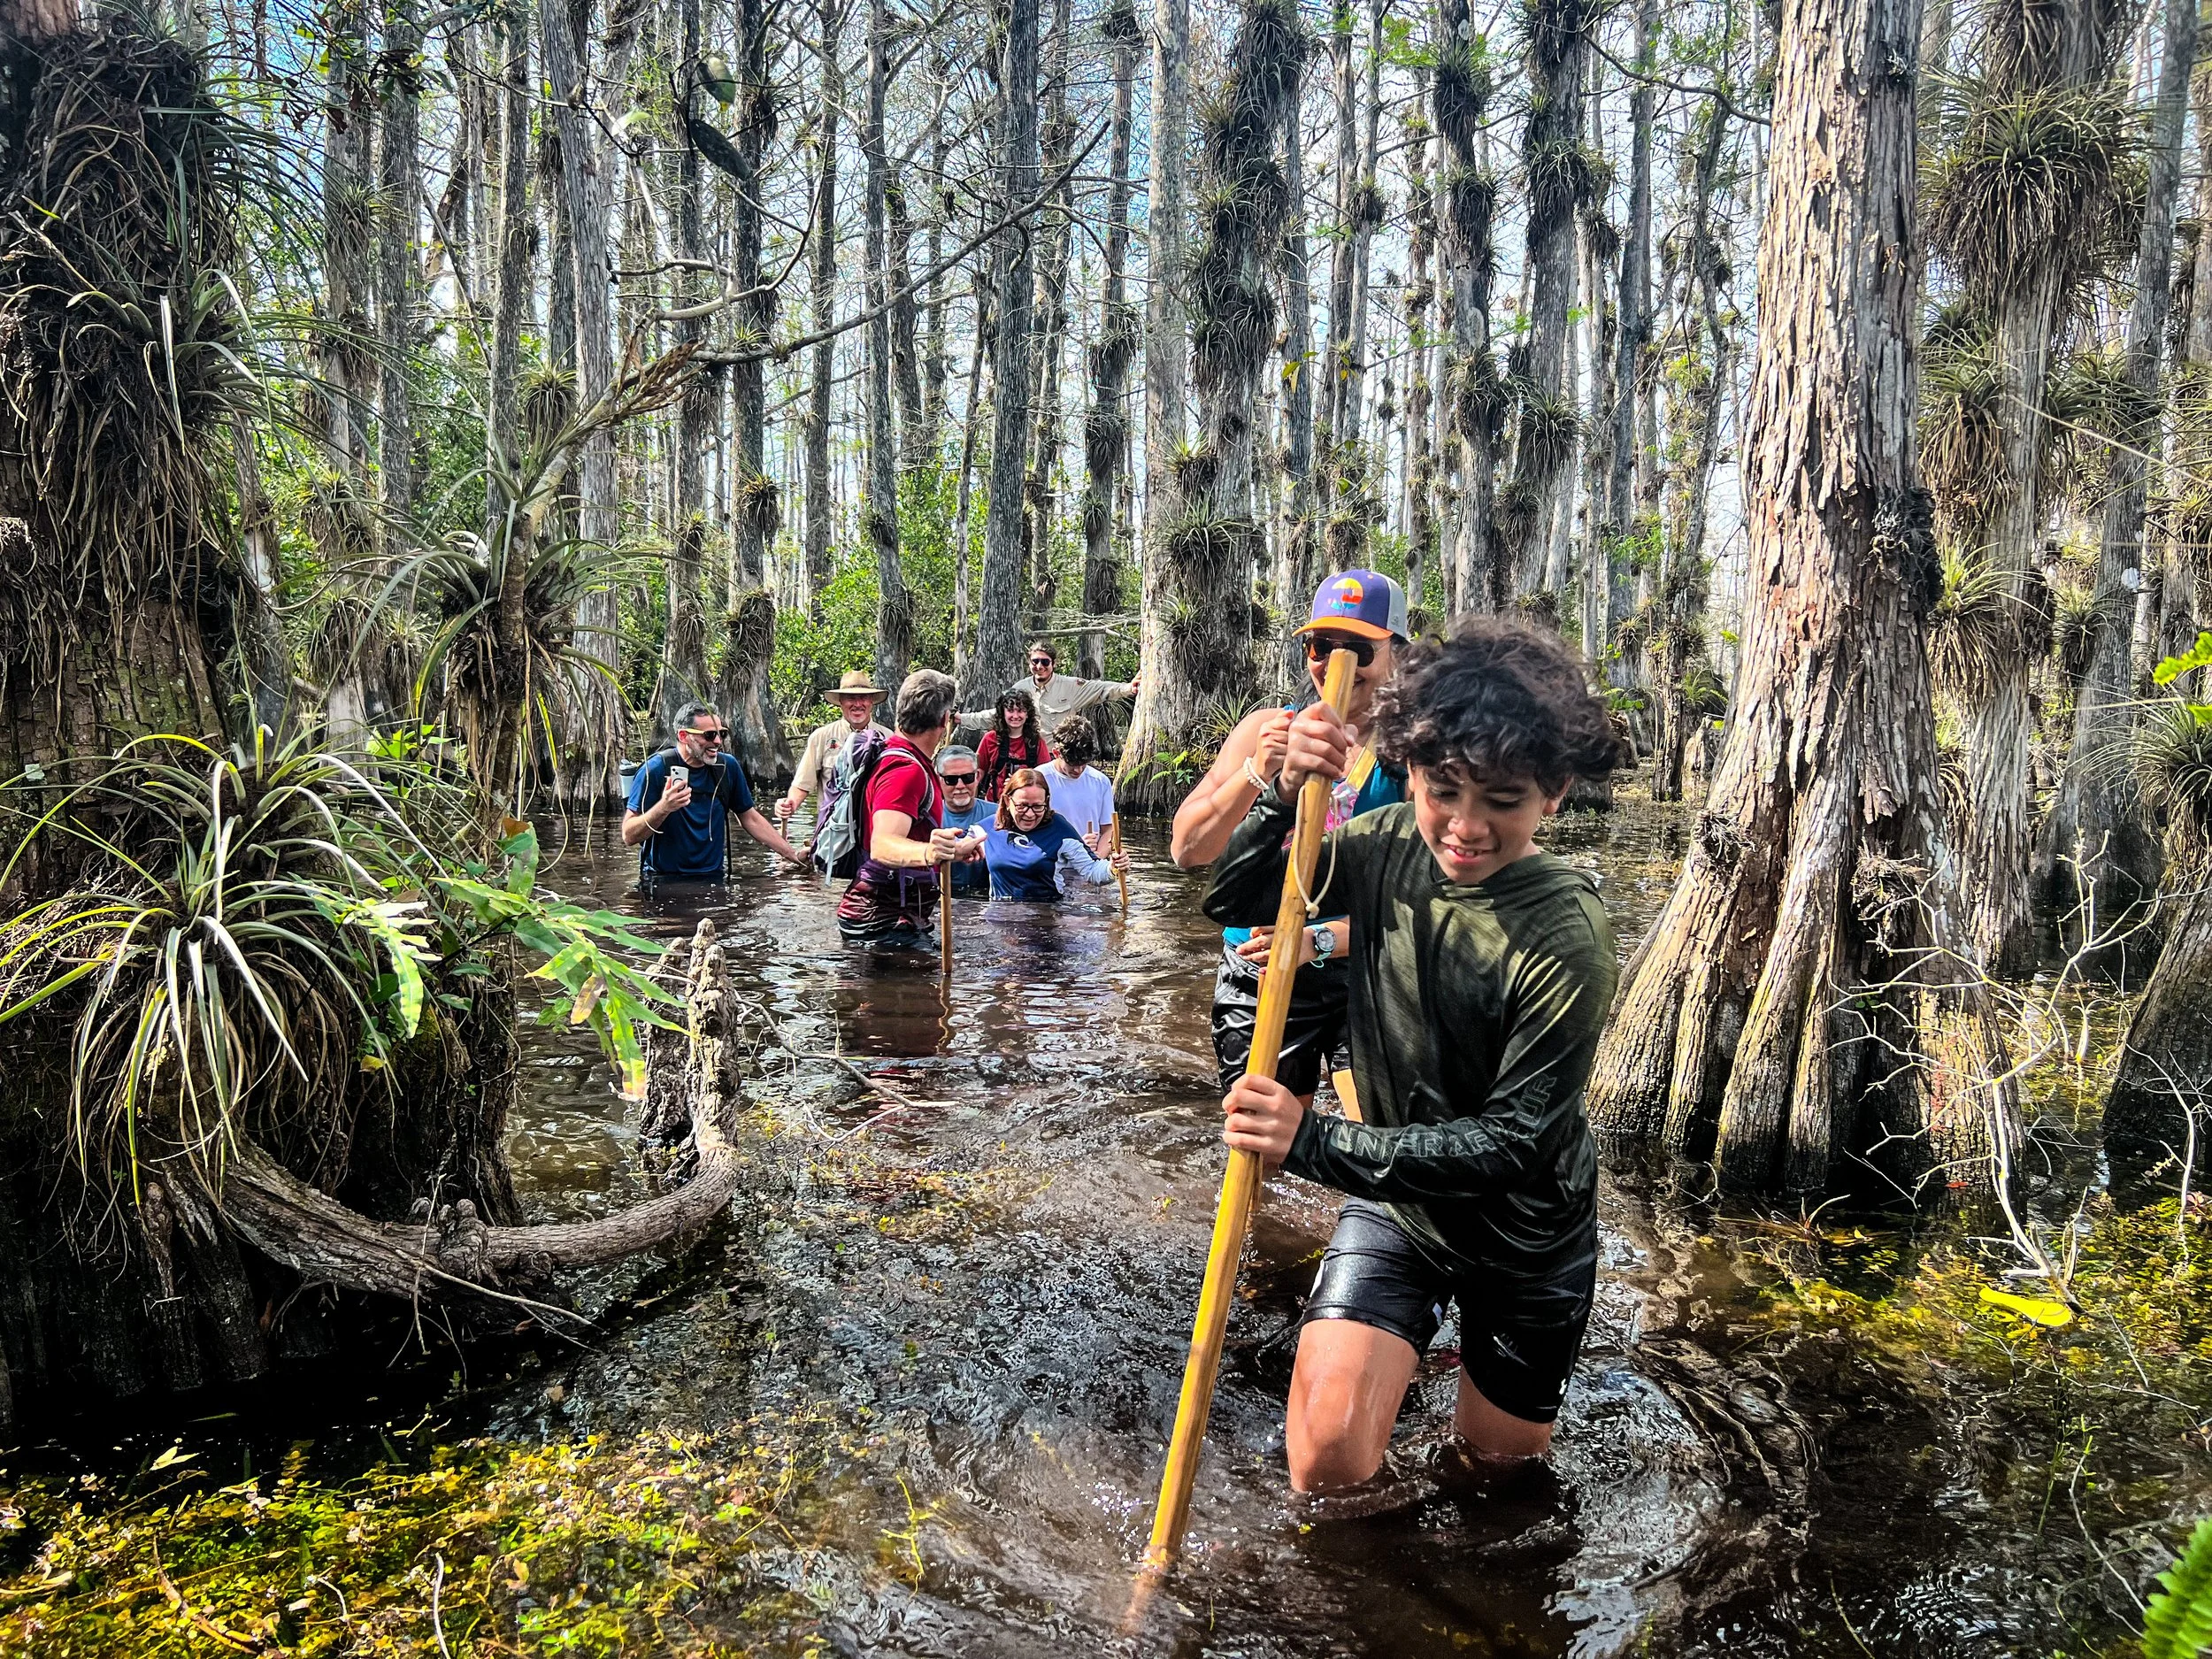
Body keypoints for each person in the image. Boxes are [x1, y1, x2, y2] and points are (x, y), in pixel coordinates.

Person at [1202, 617, 1630, 1495]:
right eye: (1443, 790)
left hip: (1525, 1238)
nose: (1465, 828)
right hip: (1401, 1208)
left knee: (1494, 1478)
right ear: (1414, 776)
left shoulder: (1568, 934)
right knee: (1324, 1465)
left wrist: (1311, 1142)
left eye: (1501, 800)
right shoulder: (1390, 843)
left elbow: (1512, 1143)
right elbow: (1236, 898)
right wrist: (1286, 792)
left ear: (1552, 794)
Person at [1171, 569, 1411, 1110]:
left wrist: (1317, 941)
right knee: (1269, 1150)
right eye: (1321, 645)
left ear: (1397, 655)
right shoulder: (1266, 729)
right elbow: (1188, 850)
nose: (1334, 663)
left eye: (1359, 649)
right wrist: (1261, 773)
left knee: (1375, 1139)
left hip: (1364, 969)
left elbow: (1427, 900)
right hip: (1259, 969)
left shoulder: (1412, 753)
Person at [834, 669, 970, 947]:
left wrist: (952, 853)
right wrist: (933, 852)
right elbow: (883, 845)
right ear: (945, 719)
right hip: (881, 921)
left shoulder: (906, 758)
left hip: (895, 916)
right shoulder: (905, 770)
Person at [623, 701, 809, 881]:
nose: (718, 741)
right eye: (709, 735)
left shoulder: (727, 767)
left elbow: (750, 818)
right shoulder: (655, 770)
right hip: (662, 881)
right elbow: (629, 835)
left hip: (714, 877)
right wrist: (663, 807)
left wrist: (792, 855)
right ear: (683, 736)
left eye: (722, 734)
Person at [979, 770, 1127, 901]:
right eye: (1022, 806)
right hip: (1000, 917)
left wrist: (1113, 867)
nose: (1030, 814)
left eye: (1038, 807)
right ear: (1007, 801)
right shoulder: (987, 829)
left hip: (1047, 917)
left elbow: (1092, 869)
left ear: (1047, 802)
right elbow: (960, 849)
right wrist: (956, 848)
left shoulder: (1059, 828)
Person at [962, 640, 1136, 744]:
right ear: (1029, 663)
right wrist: (962, 719)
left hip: (1059, 757)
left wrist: (1129, 688)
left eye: (1045, 662)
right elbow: (997, 715)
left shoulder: (1071, 686)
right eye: (1035, 661)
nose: (1039, 667)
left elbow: (1102, 688)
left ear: (1054, 663)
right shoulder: (1020, 689)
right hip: (1027, 756)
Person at [779, 670, 888, 826]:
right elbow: (802, 785)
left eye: (863, 697)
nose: (858, 704)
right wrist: (789, 805)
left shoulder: (888, 739)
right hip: (831, 830)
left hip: (874, 829)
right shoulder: (821, 737)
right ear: (841, 702)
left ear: (871, 701)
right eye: (851, 698)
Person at [1040, 715, 1118, 851]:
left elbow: (1109, 829)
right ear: (1057, 753)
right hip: (1050, 864)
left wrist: (1094, 860)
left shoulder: (1100, 782)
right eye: (1072, 764)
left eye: (1084, 764)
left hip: (1089, 863)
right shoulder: (1039, 779)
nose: (1078, 770)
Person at [935, 745, 994, 898]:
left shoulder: (999, 815)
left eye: (967, 778)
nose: (960, 786)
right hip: (941, 901)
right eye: (951, 780)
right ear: (938, 779)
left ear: (978, 777)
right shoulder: (926, 818)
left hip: (987, 900)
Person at [975, 687, 1052, 801]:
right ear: (1003, 713)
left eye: (1020, 711)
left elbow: (1046, 777)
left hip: (1026, 805)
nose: (1015, 716)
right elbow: (978, 773)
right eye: (1011, 711)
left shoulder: (1037, 742)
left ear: (1027, 714)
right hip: (994, 804)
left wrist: (1019, 782)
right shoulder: (990, 739)